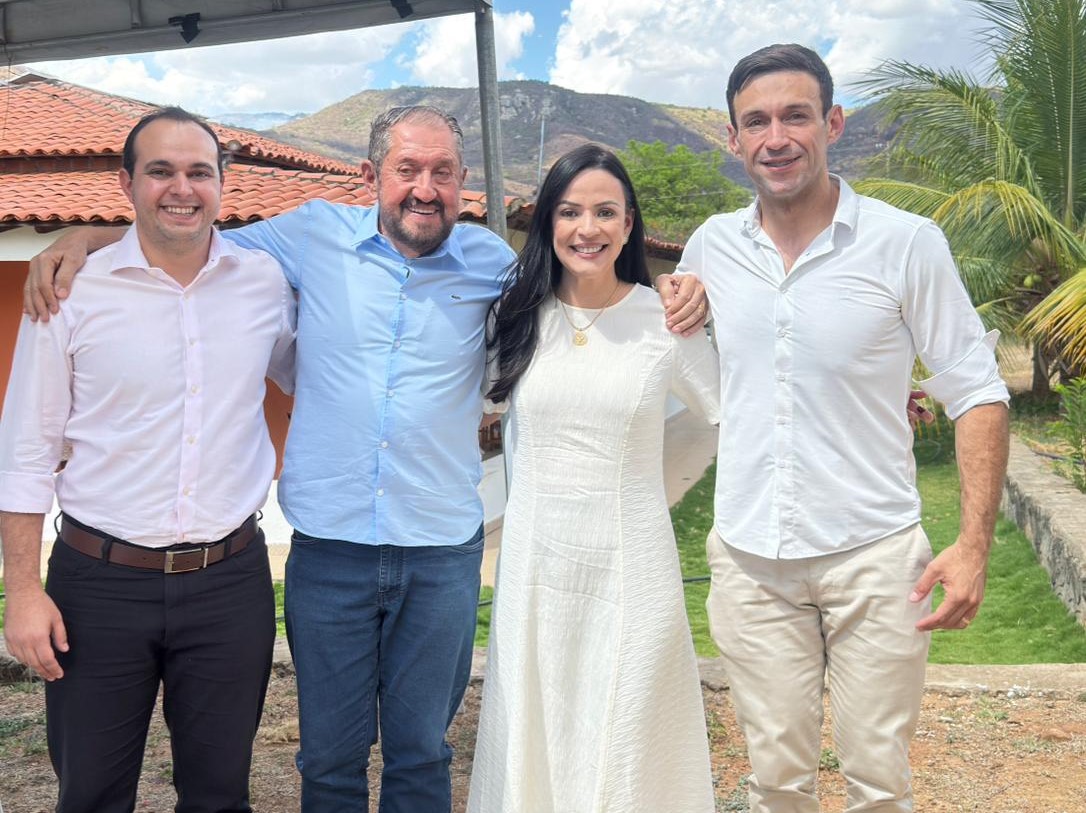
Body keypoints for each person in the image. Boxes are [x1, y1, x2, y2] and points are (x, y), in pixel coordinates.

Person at [20, 106, 710, 813]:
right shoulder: (309, 235)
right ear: (369, 175)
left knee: (422, 754)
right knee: (328, 760)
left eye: (442, 172)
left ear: (462, 180)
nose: (425, 188)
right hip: (330, 554)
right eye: (407, 169)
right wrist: (86, 236)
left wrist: (674, 291)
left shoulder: (493, 265)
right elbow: (185, 234)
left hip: (440, 556)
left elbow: (581, 291)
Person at [679, 44, 1011, 812]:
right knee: (775, 783)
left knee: (879, 785)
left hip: (875, 559)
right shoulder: (710, 247)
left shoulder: (906, 243)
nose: (776, 138)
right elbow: (684, 364)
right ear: (733, 138)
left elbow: (977, 391)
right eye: (756, 122)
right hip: (751, 561)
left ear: (832, 123)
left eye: (795, 116)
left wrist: (973, 546)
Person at [0, 107, 296, 813]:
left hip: (230, 582)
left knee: (220, 795)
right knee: (92, 795)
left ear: (222, 184)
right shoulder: (69, 290)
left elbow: (316, 377)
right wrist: (22, 591)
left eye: (199, 172)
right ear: (126, 182)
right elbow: (26, 449)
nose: (181, 188)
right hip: (98, 584)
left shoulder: (264, 283)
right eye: (160, 171)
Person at [467, 144, 720, 812]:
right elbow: (470, 406)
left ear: (629, 224)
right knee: (537, 732)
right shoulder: (516, 318)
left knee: (626, 739)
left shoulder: (666, 321)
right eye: (570, 211)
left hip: (632, 570)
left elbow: (728, 413)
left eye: (606, 212)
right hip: (535, 571)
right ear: (548, 222)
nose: (588, 228)